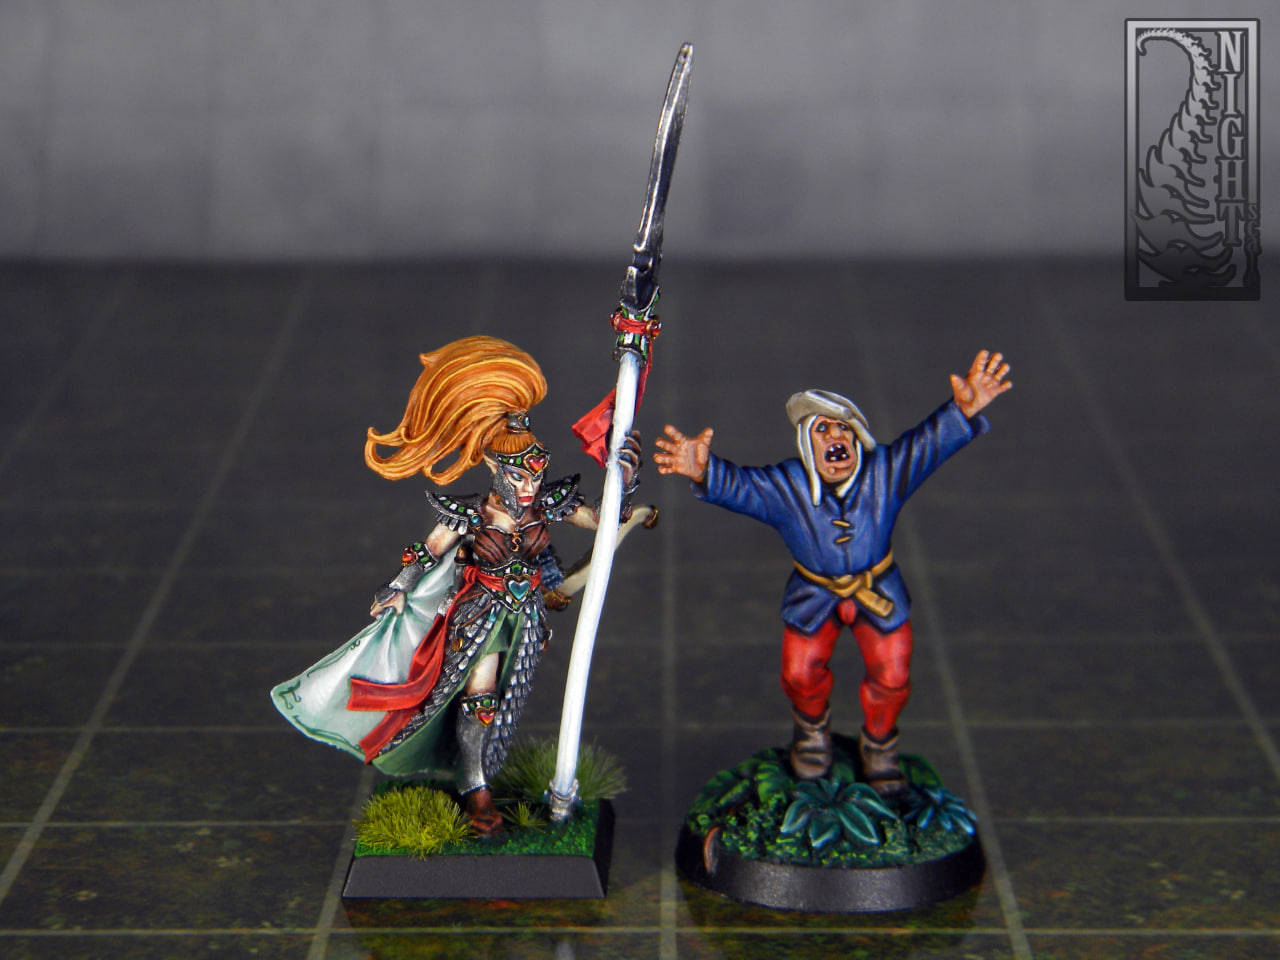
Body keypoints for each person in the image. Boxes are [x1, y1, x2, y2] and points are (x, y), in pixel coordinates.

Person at [272, 336, 644, 833]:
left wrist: (626, 482)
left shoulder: (548, 504)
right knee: (480, 698)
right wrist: (398, 586)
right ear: (494, 467)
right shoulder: (471, 513)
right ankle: (475, 786)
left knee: (509, 699)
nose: (530, 487)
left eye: (536, 475)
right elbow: (428, 551)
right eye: (519, 476)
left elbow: (604, 519)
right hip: (482, 614)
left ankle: (485, 770)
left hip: (528, 616)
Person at [654, 350, 1011, 795]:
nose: (835, 437)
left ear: (858, 436)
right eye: (823, 429)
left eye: (843, 428)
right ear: (807, 444)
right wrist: (704, 469)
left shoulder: (885, 471)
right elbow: (743, 487)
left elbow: (925, 446)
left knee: (893, 673)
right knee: (799, 673)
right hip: (814, 595)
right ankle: (811, 735)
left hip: (878, 590)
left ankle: (880, 745)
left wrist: (962, 410)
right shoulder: (787, 486)